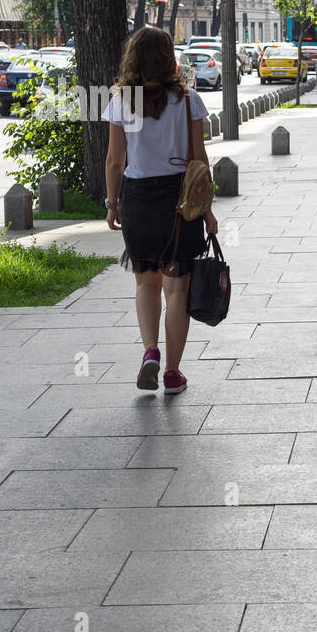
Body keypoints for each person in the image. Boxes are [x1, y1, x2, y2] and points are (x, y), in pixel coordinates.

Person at [102, 26, 216, 395]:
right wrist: (208, 209)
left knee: (144, 282)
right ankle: (172, 372)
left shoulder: (121, 100)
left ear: (132, 57)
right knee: (176, 287)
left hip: (137, 199)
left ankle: (150, 351)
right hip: (179, 202)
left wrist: (112, 203)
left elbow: (114, 162)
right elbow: (199, 160)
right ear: (169, 58)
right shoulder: (188, 100)